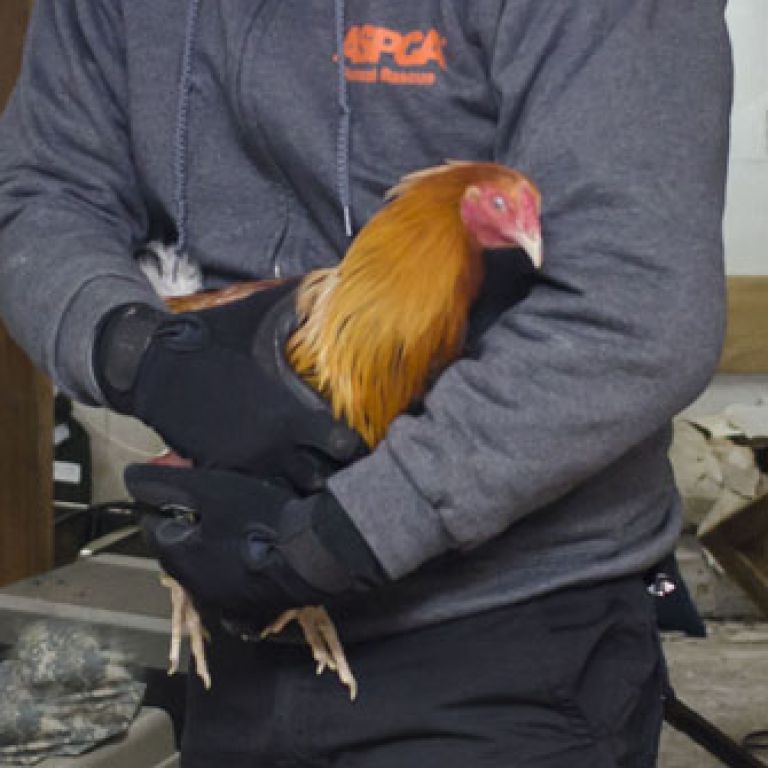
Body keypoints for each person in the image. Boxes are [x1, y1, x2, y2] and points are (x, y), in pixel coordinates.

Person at [0, 1, 731, 766]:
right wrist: (138, 352)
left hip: (502, 638)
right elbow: (47, 188)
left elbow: (636, 306)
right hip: (237, 625)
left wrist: (353, 529)